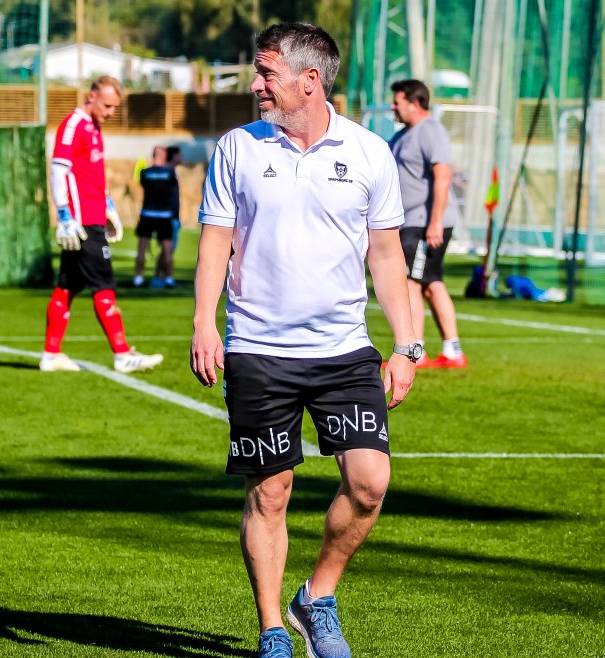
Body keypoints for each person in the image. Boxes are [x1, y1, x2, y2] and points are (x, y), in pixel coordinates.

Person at [191, 23, 418, 658]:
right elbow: (215, 240)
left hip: (344, 351)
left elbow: (386, 256)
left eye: (267, 73)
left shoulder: (370, 152)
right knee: (271, 491)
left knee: (369, 483)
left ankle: (316, 597)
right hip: (258, 349)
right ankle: (272, 629)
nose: (256, 85)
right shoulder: (237, 148)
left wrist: (407, 345)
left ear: (309, 79)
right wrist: (204, 322)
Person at [42, 75, 163, 374]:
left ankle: (51, 354)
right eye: (107, 105)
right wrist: (64, 215)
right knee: (104, 285)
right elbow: (58, 170)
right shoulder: (74, 125)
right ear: (92, 96)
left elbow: (89, 174)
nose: (111, 112)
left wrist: (108, 205)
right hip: (83, 223)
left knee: (68, 286)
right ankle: (122, 354)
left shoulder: (93, 126)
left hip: (93, 216)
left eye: (114, 107)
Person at [388, 79, 466, 368]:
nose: (392, 106)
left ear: (415, 103)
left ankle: (415, 352)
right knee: (431, 283)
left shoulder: (430, 130)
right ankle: (453, 351)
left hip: (424, 223)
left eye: (397, 101)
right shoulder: (402, 135)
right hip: (410, 222)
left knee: (411, 282)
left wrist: (435, 223)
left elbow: (443, 176)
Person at [133, 145, 180, 289]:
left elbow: (143, 185)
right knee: (167, 249)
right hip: (164, 214)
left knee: (142, 248)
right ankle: (168, 278)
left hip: (147, 213)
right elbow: (173, 190)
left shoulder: (145, 173)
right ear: (163, 156)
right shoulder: (170, 173)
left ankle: (138, 278)